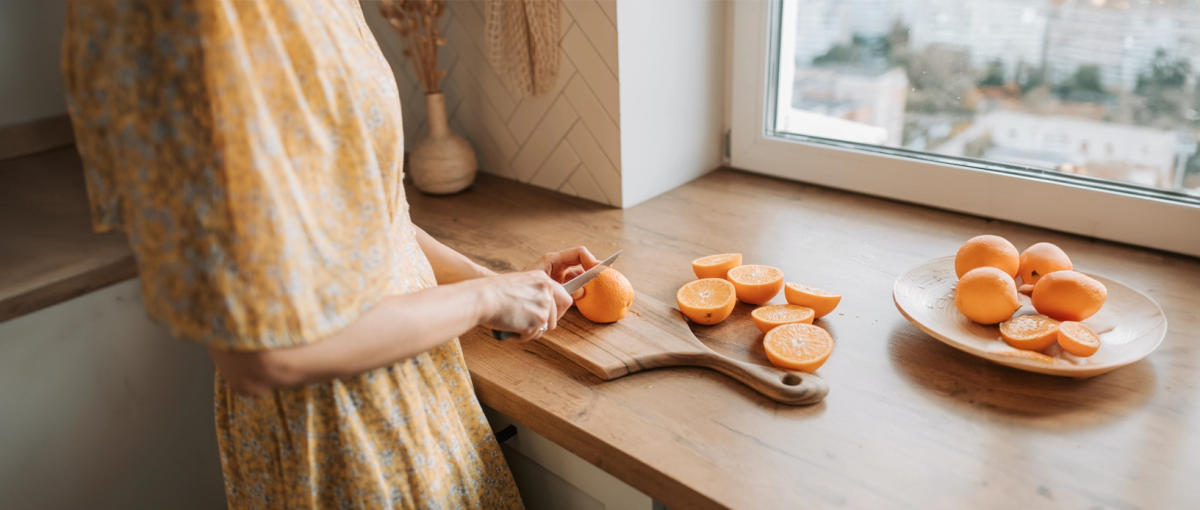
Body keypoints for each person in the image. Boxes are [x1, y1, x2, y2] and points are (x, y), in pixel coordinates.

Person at [60, 0, 594, 507]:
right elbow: (265, 355)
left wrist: (496, 283)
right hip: (342, 439)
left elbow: (381, 227)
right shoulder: (201, 22)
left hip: (421, 393)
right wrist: (482, 299)